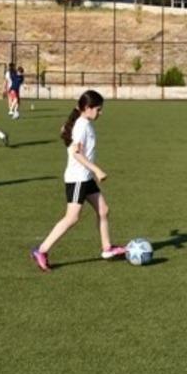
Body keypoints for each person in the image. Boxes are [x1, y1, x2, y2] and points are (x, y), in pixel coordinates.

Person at [29, 90, 127, 272]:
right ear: (87, 108)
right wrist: (96, 169)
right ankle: (41, 251)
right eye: (98, 109)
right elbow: (76, 153)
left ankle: (107, 249)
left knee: (103, 210)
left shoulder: (83, 122)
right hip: (77, 179)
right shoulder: (81, 125)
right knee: (72, 218)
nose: (101, 113)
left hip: (85, 177)